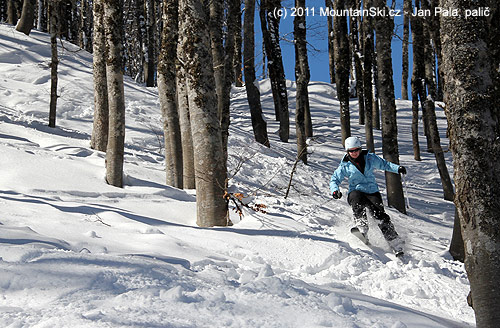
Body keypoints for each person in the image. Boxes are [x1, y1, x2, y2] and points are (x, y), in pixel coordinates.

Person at [329, 136, 407, 253]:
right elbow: (334, 179)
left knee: (380, 215)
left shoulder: (370, 158)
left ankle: (395, 242)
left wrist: (398, 168)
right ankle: (362, 227)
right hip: (356, 191)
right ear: (347, 151)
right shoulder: (345, 165)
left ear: (360, 149)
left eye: (356, 150)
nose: (354, 153)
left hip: (372, 192)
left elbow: (385, 164)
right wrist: (335, 190)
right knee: (356, 199)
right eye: (351, 151)